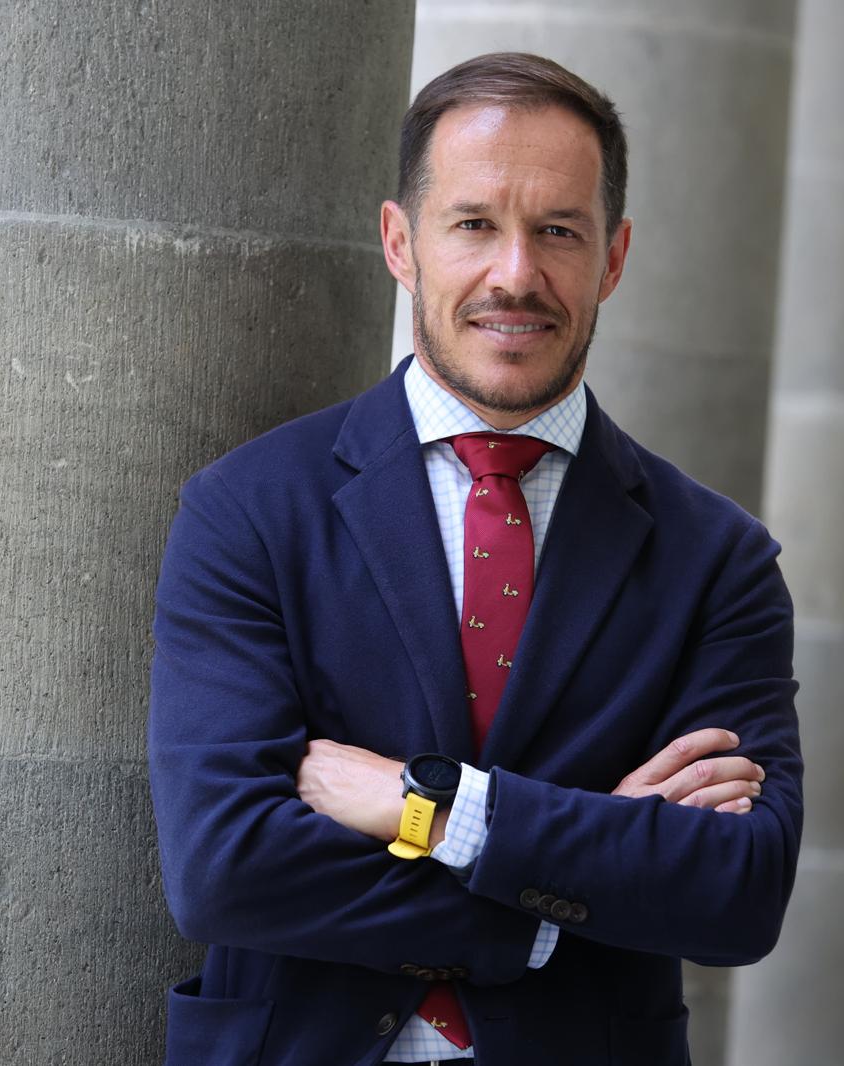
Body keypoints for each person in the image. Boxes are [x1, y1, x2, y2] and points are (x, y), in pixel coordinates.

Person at [149, 52, 802, 1066]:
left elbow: (737, 890)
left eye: (559, 231)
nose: (516, 274)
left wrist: (436, 808)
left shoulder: (717, 559)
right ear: (399, 242)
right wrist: (561, 895)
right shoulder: (250, 511)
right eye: (473, 225)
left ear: (613, 257)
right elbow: (225, 868)